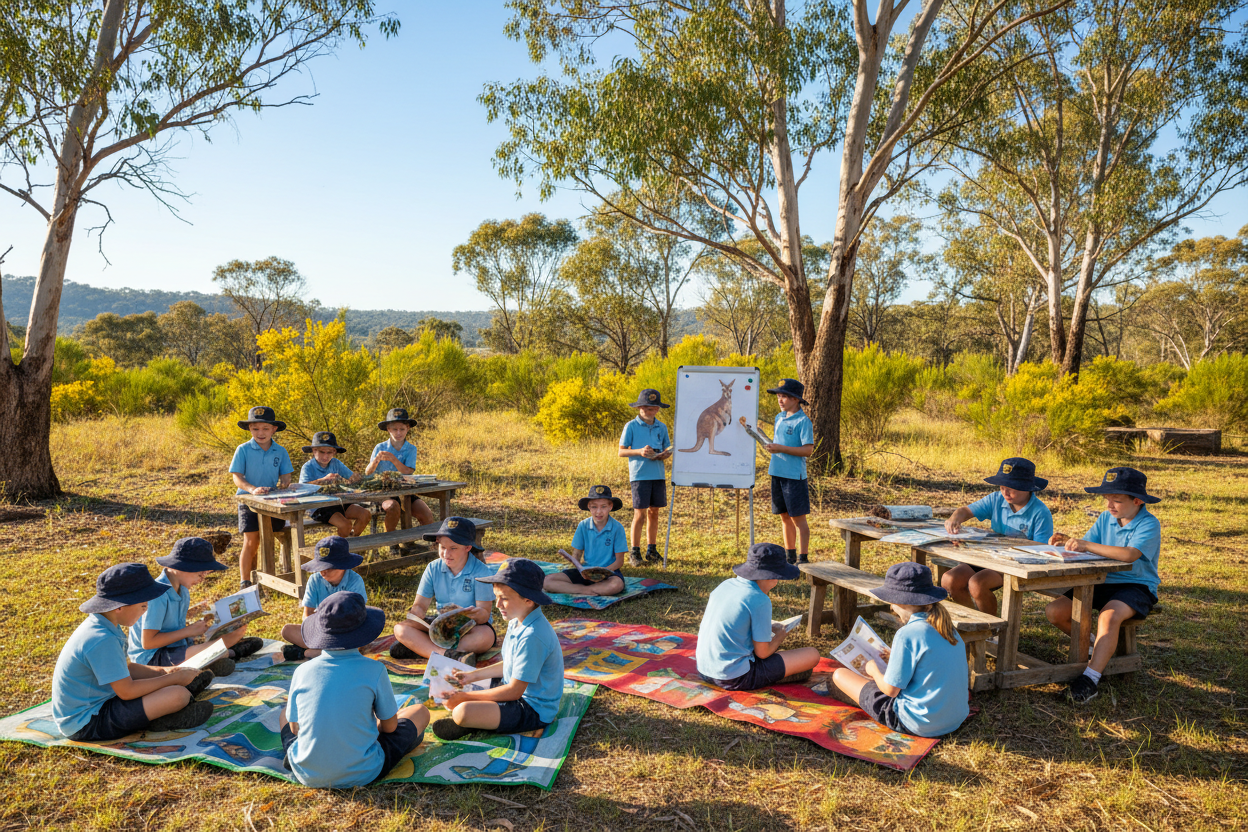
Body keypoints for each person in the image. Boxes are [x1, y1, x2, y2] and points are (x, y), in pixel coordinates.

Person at [279, 592, 430, 788]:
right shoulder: (375, 669)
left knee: (285, 713)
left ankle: (298, 757)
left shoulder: (301, 671)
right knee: (419, 712)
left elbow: (294, 728)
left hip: (307, 772)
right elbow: (390, 727)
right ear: (365, 633)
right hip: (365, 770)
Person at [52, 563, 215, 741]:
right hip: (87, 723)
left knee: (174, 688)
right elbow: (127, 691)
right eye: (143, 605)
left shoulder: (104, 625)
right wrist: (172, 679)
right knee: (178, 695)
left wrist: (166, 671)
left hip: (101, 704)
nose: (146, 610)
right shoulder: (102, 639)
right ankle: (164, 716)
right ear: (119, 607)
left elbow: (125, 670)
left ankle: (168, 709)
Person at [1045, 467, 1162, 704]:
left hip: (1136, 586)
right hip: (1101, 580)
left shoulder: (1149, 524)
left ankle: (1090, 678)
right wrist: (1069, 544)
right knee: (1055, 612)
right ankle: (1095, 647)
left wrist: (1086, 545)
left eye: (1117, 500)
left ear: (1137, 500)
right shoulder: (1105, 518)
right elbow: (1090, 546)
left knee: (1108, 617)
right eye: (1107, 499)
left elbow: (1129, 554)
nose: (1110, 505)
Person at [430, 559, 564, 741]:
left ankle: (470, 721)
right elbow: (510, 663)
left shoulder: (533, 636)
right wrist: (472, 676)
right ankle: (478, 717)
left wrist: (465, 697)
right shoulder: (517, 619)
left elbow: (514, 691)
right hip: (510, 688)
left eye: (504, 599)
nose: (498, 604)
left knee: (462, 711)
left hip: (532, 708)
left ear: (528, 600)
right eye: (496, 597)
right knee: (444, 680)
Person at [831, 562, 970, 737]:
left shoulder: (907, 634)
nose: (891, 607)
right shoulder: (949, 629)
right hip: (955, 719)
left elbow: (890, 691)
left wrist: (873, 669)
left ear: (901, 602)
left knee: (839, 676)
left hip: (917, 723)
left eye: (891, 602)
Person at [127, 537, 264, 676]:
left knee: (200, 644)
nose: (203, 578)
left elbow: (168, 622)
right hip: (150, 659)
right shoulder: (158, 595)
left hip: (175, 645)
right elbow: (148, 643)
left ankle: (215, 657)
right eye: (200, 573)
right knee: (204, 648)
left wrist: (196, 617)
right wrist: (189, 631)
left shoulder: (183, 590)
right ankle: (227, 651)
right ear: (181, 567)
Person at [695, 542, 820, 690]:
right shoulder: (759, 599)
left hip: (704, 669)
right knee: (812, 655)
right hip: (734, 677)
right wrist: (781, 634)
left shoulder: (725, 585)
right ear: (771, 577)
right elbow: (763, 653)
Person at [941, 457, 1054, 615]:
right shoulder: (996, 499)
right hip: (990, 557)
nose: (1005, 492)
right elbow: (965, 511)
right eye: (1002, 487)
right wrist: (955, 519)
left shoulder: (1040, 512)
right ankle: (972, 621)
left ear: (1027, 487)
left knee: (977, 584)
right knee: (949, 580)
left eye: (1011, 488)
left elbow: (1042, 550)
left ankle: (991, 629)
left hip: (1017, 564)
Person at [390, 517, 497, 665]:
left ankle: (423, 649)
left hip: (471, 627)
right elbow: (420, 605)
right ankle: (450, 656)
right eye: (442, 548)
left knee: (486, 637)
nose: (446, 554)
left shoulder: (481, 572)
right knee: (400, 629)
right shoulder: (433, 568)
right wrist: (416, 613)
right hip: (440, 625)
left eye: (453, 548)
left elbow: (484, 616)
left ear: (468, 547)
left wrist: (471, 613)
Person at [230, 406, 293, 588]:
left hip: (272, 502)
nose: (261, 433)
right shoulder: (243, 450)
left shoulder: (280, 451)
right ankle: (246, 582)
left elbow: (286, 476)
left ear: (274, 429)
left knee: (268, 537)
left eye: (266, 428)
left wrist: (285, 484)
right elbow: (237, 478)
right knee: (251, 540)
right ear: (250, 429)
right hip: (248, 501)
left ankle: (268, 578)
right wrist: (252, 489)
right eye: (256, 428)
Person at [281, 536, 369, 662]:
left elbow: (356, 617)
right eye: (320, 567)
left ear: (343, 566)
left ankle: (308, 652)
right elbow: (307, 614)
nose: (323, 572)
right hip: (321, 630)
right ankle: (328, 652)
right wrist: (317, 628)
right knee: (287, 631)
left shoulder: (355, 581)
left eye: (328, 567)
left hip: (346, 630)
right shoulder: (314, 579)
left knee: (359, 639)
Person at [367, 407, 435, 555]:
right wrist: (375, 461)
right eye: (394, 429)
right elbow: (368, 472)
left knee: (426, 514)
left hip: (405, 491)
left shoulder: (411, 449)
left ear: (408, 428)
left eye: (402, 429)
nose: (398, 433)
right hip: (382, 491)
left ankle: (431, 547)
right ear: (388, 429)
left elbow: (408, 471)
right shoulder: (380, 447)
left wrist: (393, 458)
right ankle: (392, 543)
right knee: (393, 506)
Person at [618, 388, 672, 566]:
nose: (653, 412)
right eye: (649, 408)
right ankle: (634, 552)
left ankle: (652, 549)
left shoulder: (661, 427)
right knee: (639, 514)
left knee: (654, 512)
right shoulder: (631, 426)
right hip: (639, 475)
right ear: (640, 408)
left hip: (658, 475)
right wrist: (640, 451)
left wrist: (664, 454)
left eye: (656, 408)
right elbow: (621, 451)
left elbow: (667, 448)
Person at [543, 485, 627, 597]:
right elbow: (577, 554)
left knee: (616, 585)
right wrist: (578, 567)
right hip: (585, 572)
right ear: (589, 507)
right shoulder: (583, 525)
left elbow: (619, 562)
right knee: (547, 581)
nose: (598, 511)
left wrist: (601, 574)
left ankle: (580, 590)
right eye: (594, 507)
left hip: (609, 573)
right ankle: (586, 590)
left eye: (603, 506)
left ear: (610, 506)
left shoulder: (617, 528)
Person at [764, 379, 815, 565]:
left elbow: (807, 450)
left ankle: (803, 558)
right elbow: (779, 444)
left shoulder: (803, 421)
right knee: (784, 516)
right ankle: (789, 556)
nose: (780, 400)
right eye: (778, 396)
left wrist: (781, 448)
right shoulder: (779, 417)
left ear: (796, 399)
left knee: (798, 518)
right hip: (777, 472)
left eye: (784, 396)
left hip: (794, 476)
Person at [298, 431, 371, 537]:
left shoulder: (335, 463)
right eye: (322, 452)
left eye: (329, 452)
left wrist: (362, 479)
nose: (326, 456)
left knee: (365, 514)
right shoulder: (308, 467)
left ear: (334, 452)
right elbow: (302, 488)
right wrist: (323, 480)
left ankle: (352, 543)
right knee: (346, 525)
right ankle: (341, 550)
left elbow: (353, 477)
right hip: (318, 506)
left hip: (338, 502)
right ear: (314, 451)